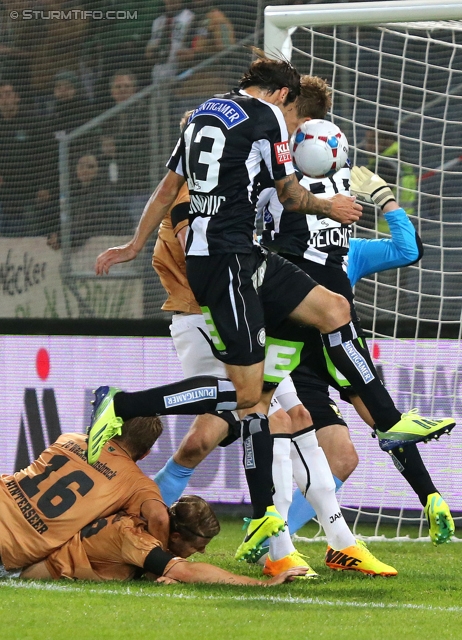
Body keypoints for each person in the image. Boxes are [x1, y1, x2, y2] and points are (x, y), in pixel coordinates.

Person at [90, 57, 454, 561]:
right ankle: (123, 405)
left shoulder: (201, 114)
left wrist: (132, 242)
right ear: (283, 97)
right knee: (247, 400)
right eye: (294, 119)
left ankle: (383, 426)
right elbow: (288, 192)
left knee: (332, 310)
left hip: (246, 257)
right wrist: (332, 206)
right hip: (224, 264)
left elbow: (166, 187)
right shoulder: (264, 118)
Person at [20, 495, 308, 585]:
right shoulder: (137, 540)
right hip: (26, 572)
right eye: (197, 546)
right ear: (177, 535)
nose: (203, 551)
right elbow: (188, 571)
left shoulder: (139, 522)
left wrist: (158, 572)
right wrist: (263, 583)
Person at [0, 416, 167, 571]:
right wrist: (158, 563)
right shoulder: (137, 483)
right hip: (10, 545)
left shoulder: (70, 438)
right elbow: (159, 518)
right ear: (145, 454)